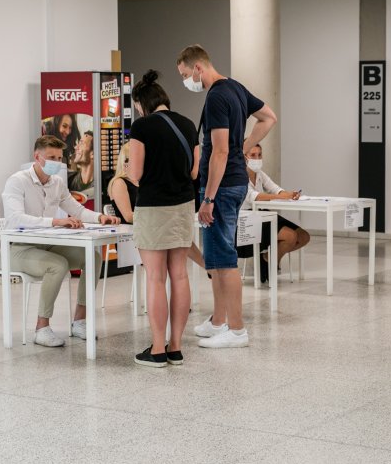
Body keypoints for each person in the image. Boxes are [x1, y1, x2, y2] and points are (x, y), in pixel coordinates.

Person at [176, 44, 277, 349]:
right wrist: (243, 149)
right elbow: (268, 117)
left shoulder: (217, 96)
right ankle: (219, 320)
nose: (186, 81)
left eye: (184, 74)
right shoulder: (235, 88)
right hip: (233, 181)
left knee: (224, 260)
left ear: (197, 68)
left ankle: (236, 330)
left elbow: (219, 151)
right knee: (218, 258)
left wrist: (207, 200)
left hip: (220, 187)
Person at [1, 135, 120, 347]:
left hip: (45, 246)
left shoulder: (57, 183)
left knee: (91, 257)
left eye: (59, 157)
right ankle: (41, 328)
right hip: (16, 249)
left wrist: (100, 217)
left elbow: (77, 210)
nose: (57, 162)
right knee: (58, 265)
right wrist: (55, 221)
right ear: (37, 157)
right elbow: (15, 219)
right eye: (51, 157)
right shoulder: (17, 181)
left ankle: (79, 321)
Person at [127, 70, 199, 367]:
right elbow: (194, 172)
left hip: (154, 207)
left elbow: (134, 174)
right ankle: (176, 347)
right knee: (179, 275)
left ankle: (157, 349)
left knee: (155, 277)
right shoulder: (188, 124)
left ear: (142, 104)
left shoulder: (141, 127)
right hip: (184, 205)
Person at [109, 141, 205, 269]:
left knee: (178, 234)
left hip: (152, 229)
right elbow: (128, 216)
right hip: (132, 234)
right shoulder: (119, 183)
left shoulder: (145, 182)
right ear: (126, 161)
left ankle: (206, 267)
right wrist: (160, 216)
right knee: (175, 234)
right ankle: (207, 267)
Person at [238, 143, 309, 283]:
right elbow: (253, 196)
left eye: (259, 155)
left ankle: (268, 258)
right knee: (290, 236)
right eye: (253, 155)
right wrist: (281, 197)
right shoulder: (238, 175)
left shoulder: (260, 174)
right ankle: (271, 263)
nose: (257, 158)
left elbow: (275, 189)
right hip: (247, 218)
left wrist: (289, 194)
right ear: (244, 157)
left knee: (303, 236)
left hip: (263, 214)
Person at [68, 131, 94, 197]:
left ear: (93, 154)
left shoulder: (101, 186)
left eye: (82, 143)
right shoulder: (69, 181)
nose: (76, 147)